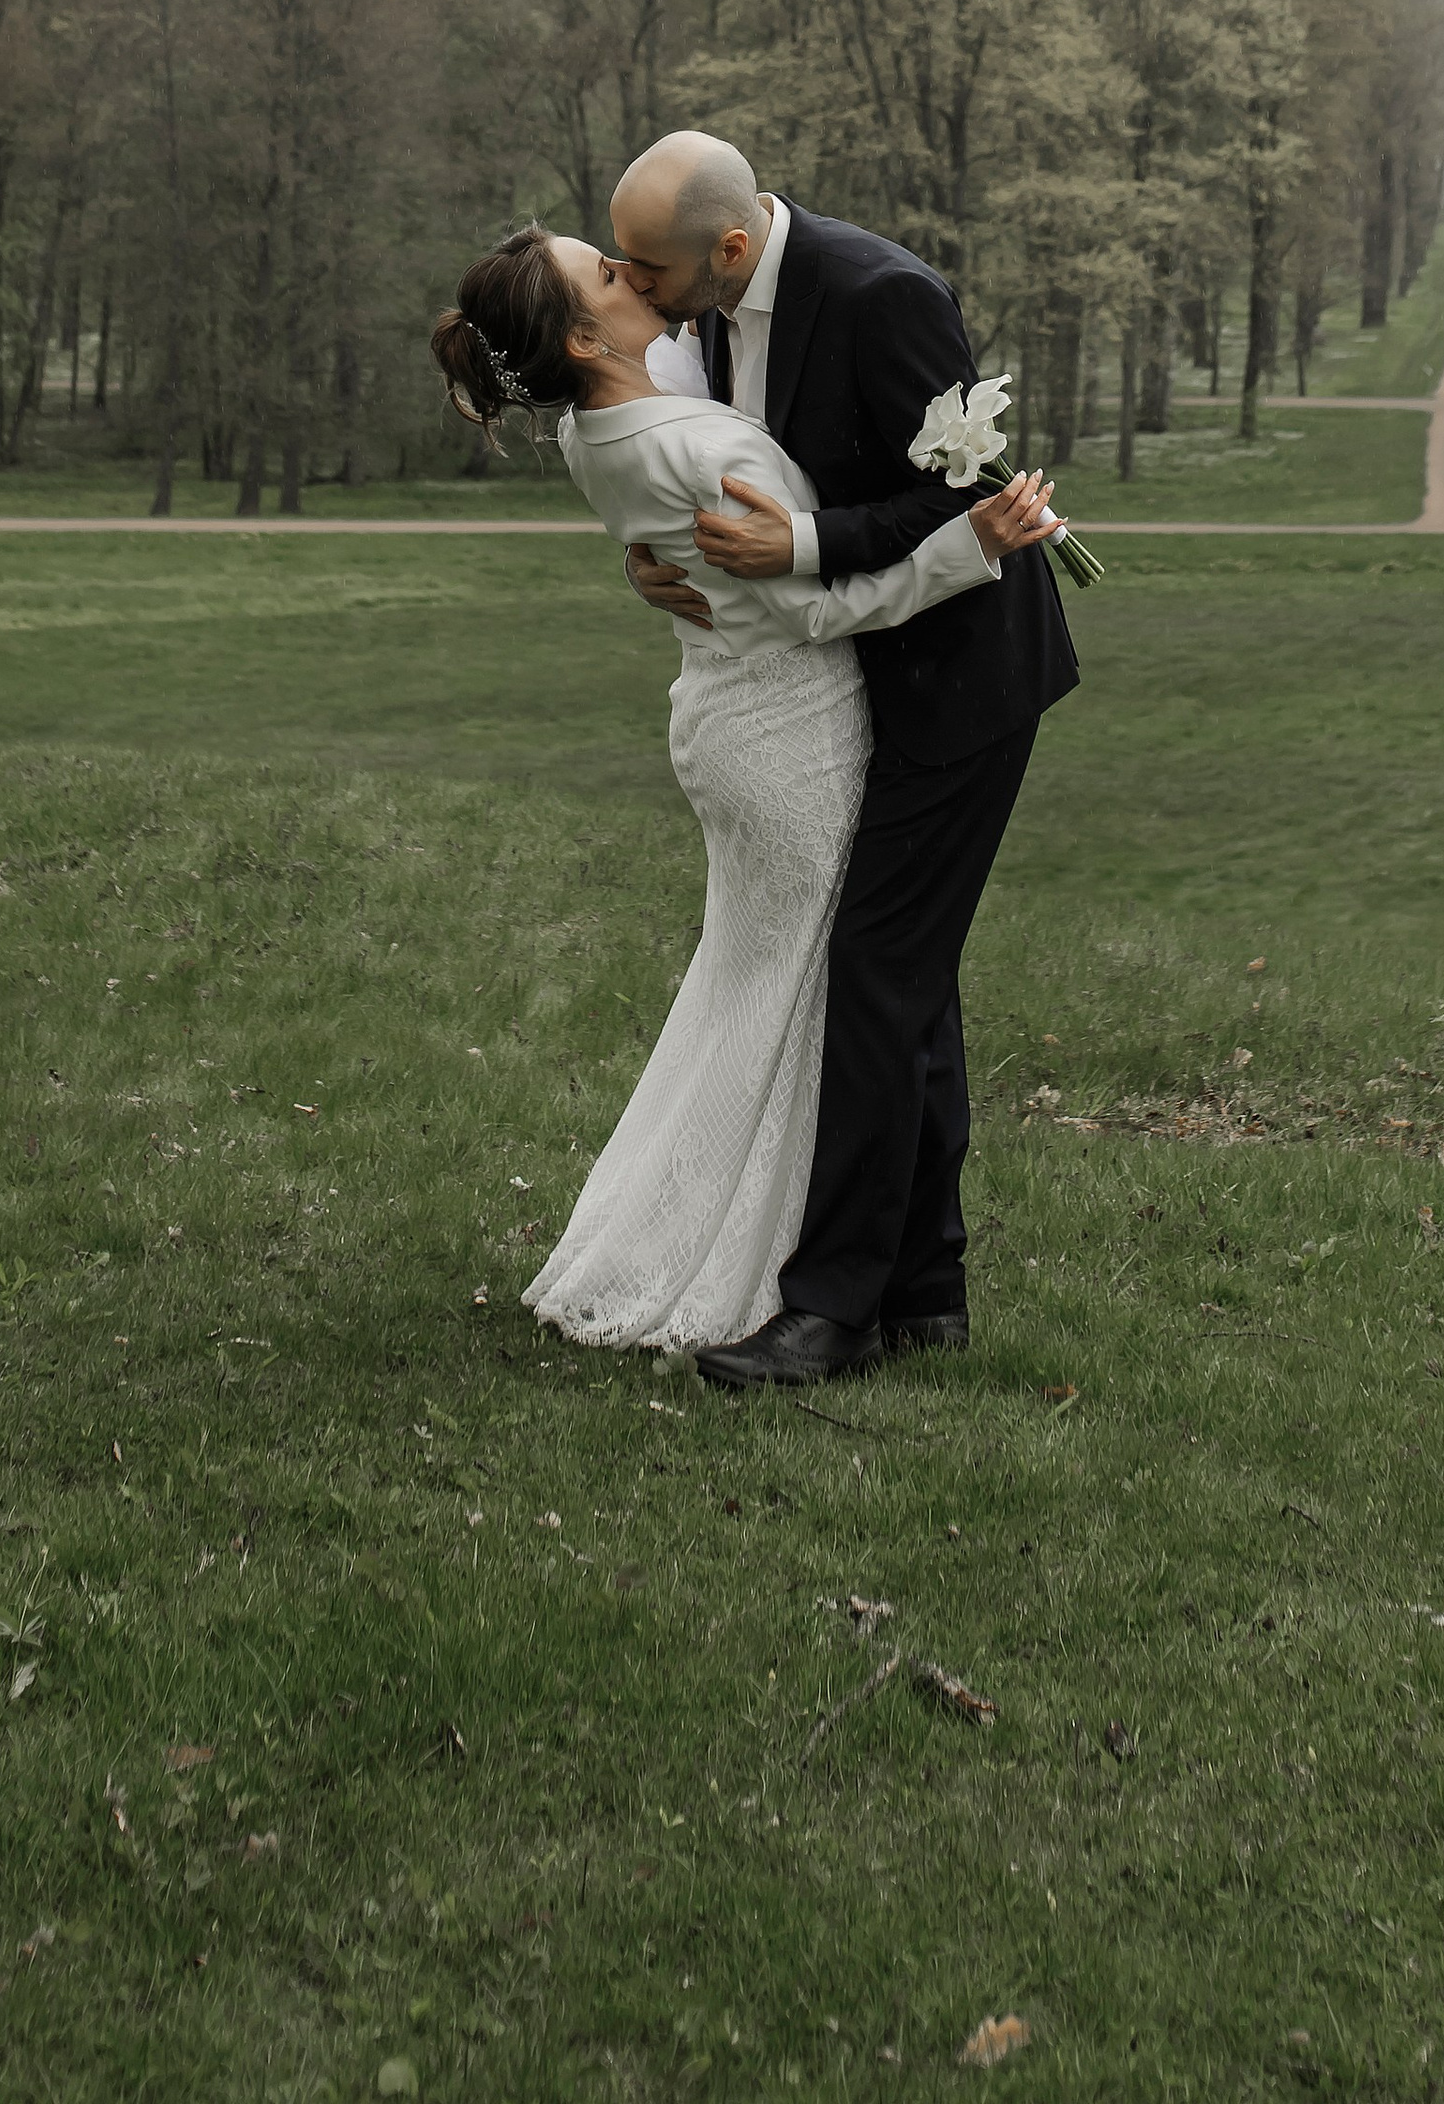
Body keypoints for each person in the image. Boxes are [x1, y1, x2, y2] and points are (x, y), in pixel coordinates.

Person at [430, 223, 1060, 1354]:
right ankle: (807, 1286)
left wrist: (666, 546)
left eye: (633, 260)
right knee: (820, 994)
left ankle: (914, 1288)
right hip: (790, 733)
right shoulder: (671, 410)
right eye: (611, 275)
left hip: (749, 717)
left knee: (836, 984)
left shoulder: (610, 408)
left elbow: (672, 472)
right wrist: (978, 543)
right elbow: (811, 608)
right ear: (582, 331)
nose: (638, 279)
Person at [607, 132, 1079, 1389]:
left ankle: (833, 1308)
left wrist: (805, 546)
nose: (634, 292)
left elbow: (956, 501)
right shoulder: (694, 309)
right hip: (845, 678)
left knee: (873, 971)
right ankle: (927, 1289)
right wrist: (660, 558)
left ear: (730, 246)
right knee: (906, 978)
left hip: (960, 680)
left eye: (649, 269)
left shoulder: (882, 294)